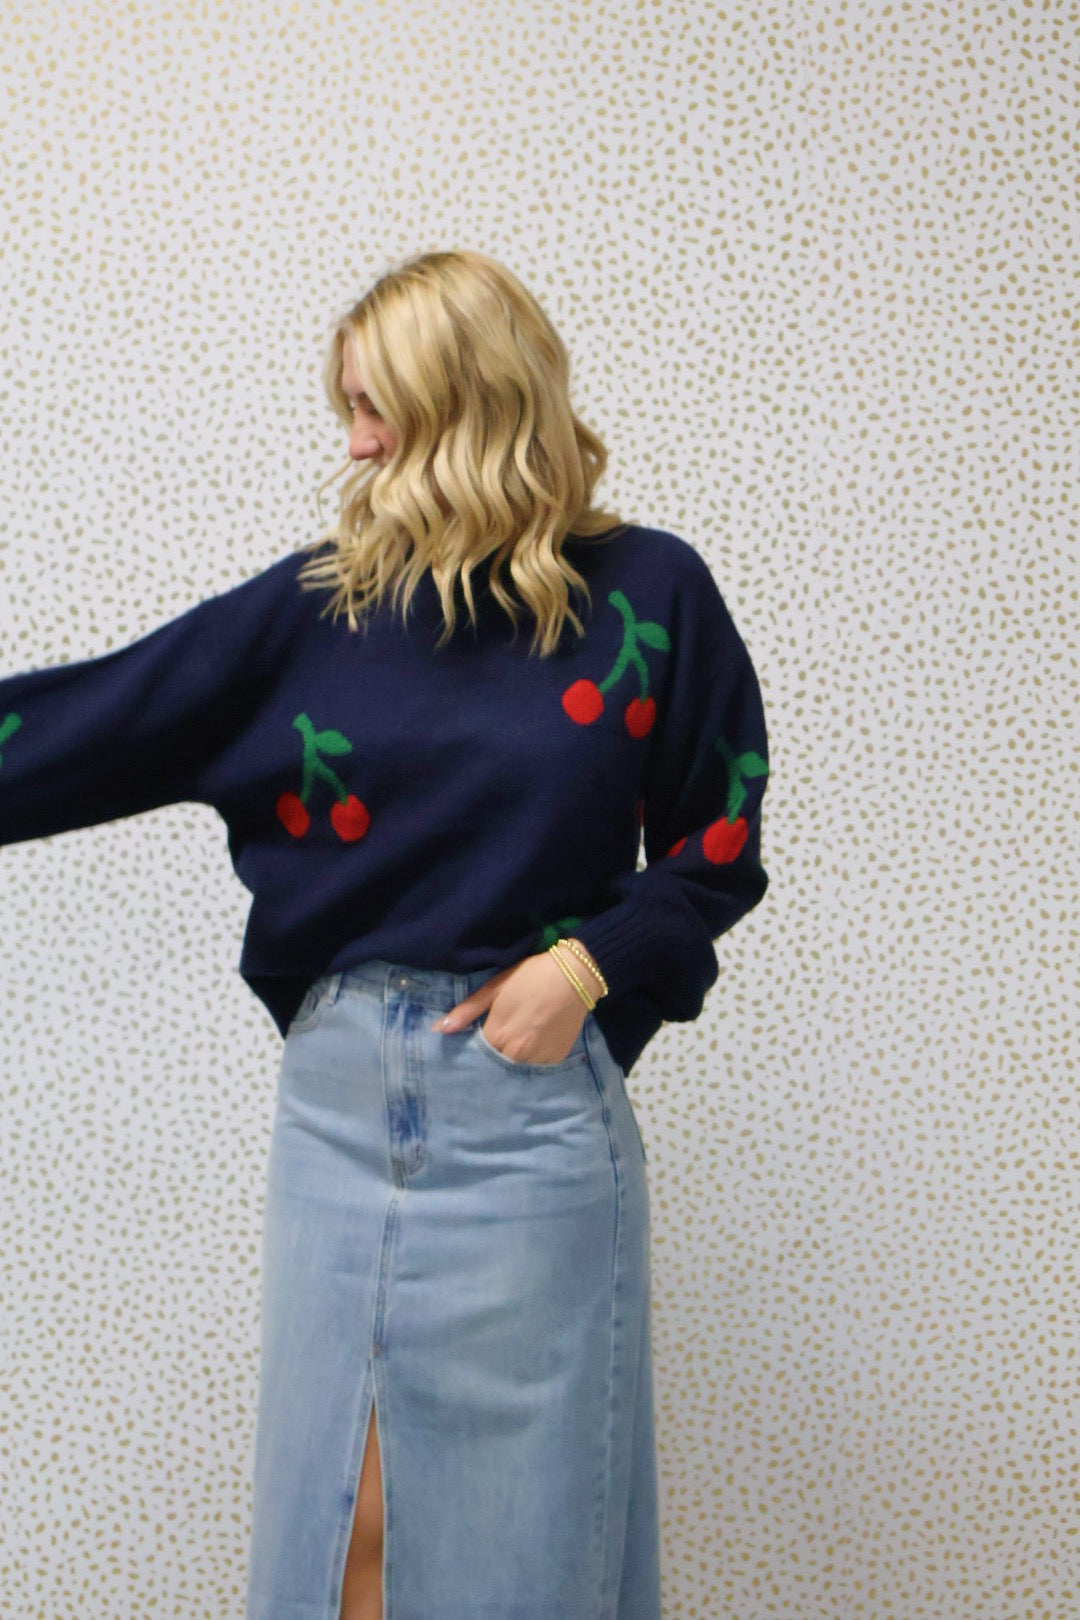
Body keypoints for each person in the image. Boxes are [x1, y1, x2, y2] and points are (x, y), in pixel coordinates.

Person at [0, 248, 771, 1620]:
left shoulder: (651, 593)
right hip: (340, 1117)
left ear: (473, 400)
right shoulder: (322, 607)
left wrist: (586, 968)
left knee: (522, 1555)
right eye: (347, 408)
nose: (354, 444)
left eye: (377, 408)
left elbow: (721, 836)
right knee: (342, 1535)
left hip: (530, 1131)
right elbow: (91, 721)